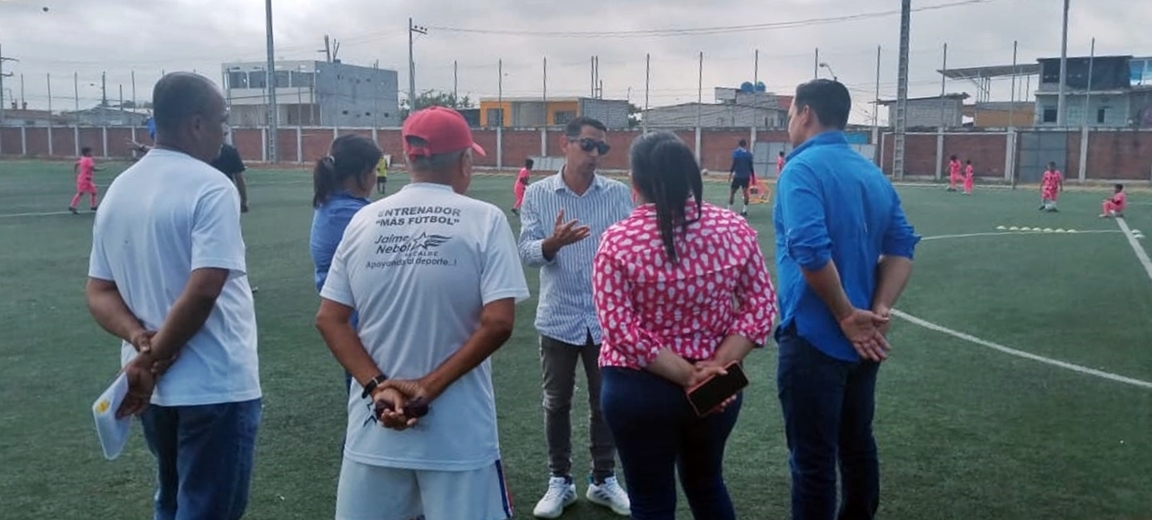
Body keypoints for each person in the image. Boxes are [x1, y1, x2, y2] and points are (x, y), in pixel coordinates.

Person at [315, 106, 530, 520]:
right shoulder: (484, 219)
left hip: (374, 428)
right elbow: (498, 322)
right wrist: (426, 388)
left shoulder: (363, 220)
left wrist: (377, 386)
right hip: (459, 437)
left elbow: (330, 318)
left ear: (408, 158)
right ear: (465, 160)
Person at [85, 71, 261, 520]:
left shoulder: (120, 189)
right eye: (222, 121)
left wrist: (139, 342)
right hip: (212, 382)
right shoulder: (211, 186)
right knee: (209, 508)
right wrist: (154, 357)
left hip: (151, 391)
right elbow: (204, 288)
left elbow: (99, 291)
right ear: (196, 124)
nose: (225, 132)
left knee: (172, 499)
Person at [593, 131, 777, 520]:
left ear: (635, 181)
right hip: (718, 382)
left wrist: (688, 375)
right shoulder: (734, 229)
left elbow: (619, 329)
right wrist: (715, 368)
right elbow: (761, 306)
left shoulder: (617, 242)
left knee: (650, 499)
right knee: (707, 484)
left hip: (638, 386)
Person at [774, 79, 920, 520]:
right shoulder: (871, 172)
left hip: (816, 337)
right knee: (857, 446)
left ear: (805, 114)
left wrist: (844, 314)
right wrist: (879, 309)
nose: (789, 123)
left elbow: (810, 250)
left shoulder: (801, 169)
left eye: (790, 114)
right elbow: (903, 246)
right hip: (864, 343)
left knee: (813, 461)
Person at [518, 116, 633, 519]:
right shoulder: (538, 194)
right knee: (556, 403)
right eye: (588, 145)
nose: (595, 154)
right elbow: (526, 251)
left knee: (606, 403)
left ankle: (603, 479)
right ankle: (559, 480)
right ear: (564, 144)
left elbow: (630, 247)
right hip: (559, 315)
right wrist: (551, 244)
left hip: (606, 318)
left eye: (602, 147)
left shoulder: (617, 194)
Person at [309, 134, 381, 405]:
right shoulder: (349, 214)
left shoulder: (337, 205)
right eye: (373, 171)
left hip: (358, 321)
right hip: (360, 325)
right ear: (362, 173)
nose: (375, 178)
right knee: (374, 406)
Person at [211, 142, 250, 212]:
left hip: (208, 194)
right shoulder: (231, 150)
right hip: (226, 194)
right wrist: (244, 200)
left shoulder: (200, 152)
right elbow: (239, 178)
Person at [727, 139, 755, 216]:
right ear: (745, 145)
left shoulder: (736, 153)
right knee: (745, 193)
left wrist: (730, 174)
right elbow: (751, 166)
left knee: (732, 193)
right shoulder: (749, 154)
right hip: (746, 176)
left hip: (738, 176)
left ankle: (729, 209)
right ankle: (744, 210)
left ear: (739, 145)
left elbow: (734, 164)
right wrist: (753, 177)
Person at [69, 146, 101, 213]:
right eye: (90, 152)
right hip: (84, 179)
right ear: (86, 153)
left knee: (93, 192)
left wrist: (75, 172)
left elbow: (76, 164)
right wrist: (101, 170)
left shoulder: (83, 158)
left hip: (87, 179)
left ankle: (93, 206)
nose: (91, 153)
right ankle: (72, 206)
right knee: (81, 193)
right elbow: (92, 168)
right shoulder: (88, 159)